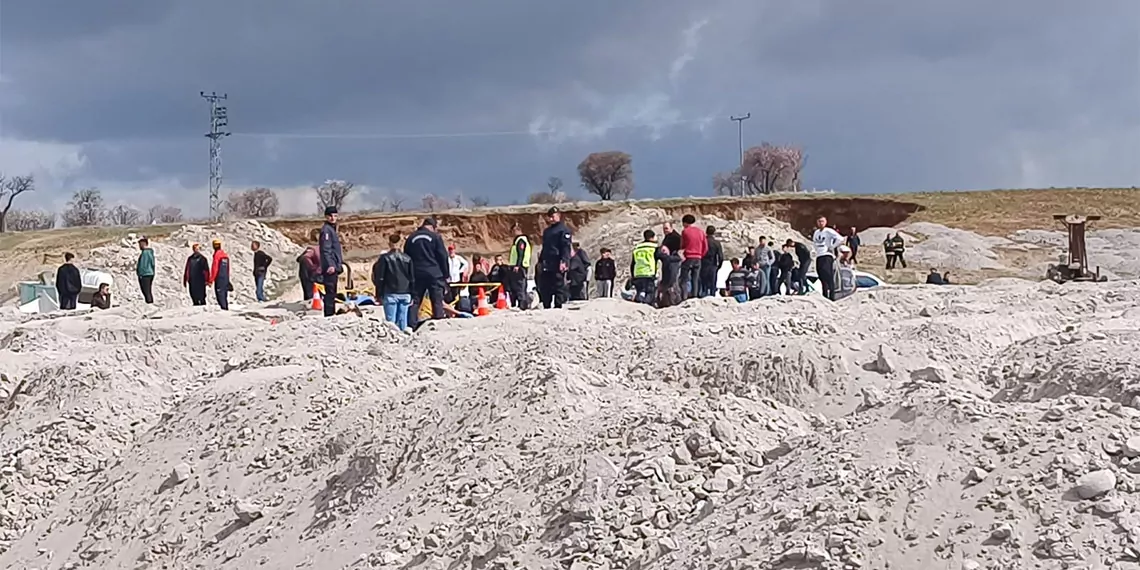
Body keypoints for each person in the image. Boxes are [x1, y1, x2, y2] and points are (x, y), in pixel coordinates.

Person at [405, 217, 450, 328]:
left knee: (415, 301)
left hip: (416, 273)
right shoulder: (435, 237)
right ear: (432, 227)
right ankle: (438, 324)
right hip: (434, 273)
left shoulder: (411, 238)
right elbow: (442, 256)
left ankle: (411, 326)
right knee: (437, 300)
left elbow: (406, 257)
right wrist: (446, 274)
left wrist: (409, 274)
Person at [373, 233, 415, 331]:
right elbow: (412, 277)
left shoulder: (385, 258)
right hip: (405, 291)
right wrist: (413, 293)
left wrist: (378, 293)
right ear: (400, 243)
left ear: (389, 243)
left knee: (390, 322)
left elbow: (380, 277)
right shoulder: (407, 258)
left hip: (390, 292)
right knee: (403, 320)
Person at [538, 206, 572, 309]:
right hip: (547, 262)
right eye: (550, 217)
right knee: (545, 286)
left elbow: (565, 247)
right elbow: (545, 247)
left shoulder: (563, 230)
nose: (551, 219)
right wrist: (540, 261)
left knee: (558, 285)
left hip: (557, 261)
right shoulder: (547, 231)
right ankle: (546, 305)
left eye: (553, 216)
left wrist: (564, 261)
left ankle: (558, 306)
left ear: (558, 216)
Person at [319, 206, 344, 317]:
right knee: (330, 292)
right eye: (331, 216)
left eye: (335, 216)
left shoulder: (332, 229)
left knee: (332, 291)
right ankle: (329, 315)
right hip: (330, 267)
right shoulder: (327, 231)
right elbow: (326, 249)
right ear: (326, 217)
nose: (333, 218)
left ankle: (331, 312)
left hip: (334, 264)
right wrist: (331, 265)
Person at [812, 216, 844, 300]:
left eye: (822, 221)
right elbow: (814, 243)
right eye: (819, 221)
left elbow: (840, 238)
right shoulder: (816, 232)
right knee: (821, 276)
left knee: (829, 276)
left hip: (827, 255)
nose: (821, 223)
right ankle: (825, 296)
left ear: (825, 222)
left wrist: (832, 246)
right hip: (819, 256)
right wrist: (815, 251)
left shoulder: (828, 231)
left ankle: (832, 297)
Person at [678, 214, 707, 299]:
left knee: (684, 279)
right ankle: (695, 296)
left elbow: (682, 245)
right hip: (698, 258)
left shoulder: (685, 231)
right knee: (695, 279)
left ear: (685, 223)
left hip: (688, 257)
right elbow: (705, 246)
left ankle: (684, 296)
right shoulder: (700, 232)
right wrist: (701, 255)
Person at [630, 230, 659, 305]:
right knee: (650, 292)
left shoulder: (637, 248)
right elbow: (663, 257)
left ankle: (639, 302)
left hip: (638, 273)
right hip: (649, 273)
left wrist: (633, 275)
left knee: (640, 291)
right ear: (652, 238)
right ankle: (647, 306)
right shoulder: (654, 248)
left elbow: (633, 263)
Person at [507, 224, 532, 309]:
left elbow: (520, 254)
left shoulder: (521, 241)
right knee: (517, 286)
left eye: (513, 231)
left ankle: (522, 304)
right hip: (518, 266)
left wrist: (517, 265)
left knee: (520, 286)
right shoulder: (519, 240)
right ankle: (519, 303)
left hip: (520, 267)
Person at [208, 239, 232, 310]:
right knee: (224, 294)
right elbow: (227, 269)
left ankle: (224, 309)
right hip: (225, 277)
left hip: (219, 277)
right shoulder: (225, 255)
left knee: (220, 294)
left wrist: (211, 280)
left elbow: (215, 268)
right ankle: (225, 308)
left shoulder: (217, 256)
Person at [700, 226, 724, 298]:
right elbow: (721, 256)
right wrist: (718, 266)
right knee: (712, 284)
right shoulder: (716, 243)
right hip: (713, 264)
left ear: (706, 232)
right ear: (714, 233)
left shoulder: (702, 241)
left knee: (703, 283)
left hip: (703, 263)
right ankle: (712, 297)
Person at [656, 244, 682, 308]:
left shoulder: (672, 258)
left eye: (665, 250)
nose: (665, 252)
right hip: (666, 279)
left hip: (671, 279)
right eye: (663, 251)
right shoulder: (667, 258)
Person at [298, 229, 321, 301]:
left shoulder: (313, 248)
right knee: (312, 292)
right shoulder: (314, 248)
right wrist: (313, 267)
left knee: (310, 292)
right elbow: (305, 257)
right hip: (312, 273)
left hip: (312, 273)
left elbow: (301, 258)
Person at [136, 237, 156, 304]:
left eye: (140, 244)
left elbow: (143, 265)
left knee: (146, 291)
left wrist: (140, 274)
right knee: (148, 291)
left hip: (145, 274)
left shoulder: (145, 253)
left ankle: (149, 304)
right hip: (150, 273)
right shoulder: (150, 252)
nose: (139, 246)